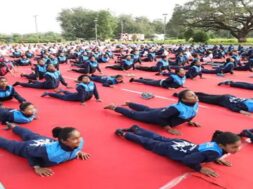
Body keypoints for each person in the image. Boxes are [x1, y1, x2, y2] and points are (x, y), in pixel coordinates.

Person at [115, 125, 241, 177]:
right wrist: (199, 168)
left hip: (183, 143)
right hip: (175, 150)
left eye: (238, 146)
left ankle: (136, 128)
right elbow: (188, 160)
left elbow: (211, 146)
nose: (237, 149)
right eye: (234, 147)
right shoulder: (213, 152)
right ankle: (124, 134)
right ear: (222, 145)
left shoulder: (216, 144)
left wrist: (217, 158)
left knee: (159, 138)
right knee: (150, 142)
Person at [0, 123, 90, 177]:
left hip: (47, 140)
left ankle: (12, 125)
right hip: (32, 146)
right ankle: (11, 125)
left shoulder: (80, 142)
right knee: (8, 144)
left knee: (29, 134)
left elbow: (73, 148)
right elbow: (29, 151)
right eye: (75, 139)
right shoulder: (50, 152)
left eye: (79, 137)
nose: (79, 140)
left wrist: (77, 152)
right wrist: (37, 167)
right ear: (64, 141)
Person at [104, 90, 200, 135]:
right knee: (134, 115)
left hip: (163, 111)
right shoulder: (176, 108)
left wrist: (189, 121)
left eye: (194, 94)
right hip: (156, 116)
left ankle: (130, 103)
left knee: (147, 109)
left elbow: (192, 113)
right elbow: (161, 118)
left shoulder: (195, 103)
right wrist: (168, 128)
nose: (195, 97)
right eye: (191, 96)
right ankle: (114, 107)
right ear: (183, 99)